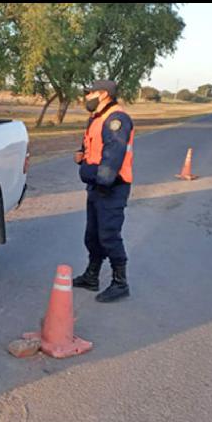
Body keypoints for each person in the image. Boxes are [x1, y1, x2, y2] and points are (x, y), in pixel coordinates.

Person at [72, 79, 134, 302]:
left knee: (109, 235)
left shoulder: (116, 119)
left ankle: (120, 283)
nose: (86, 96)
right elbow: (93, 147)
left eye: (90, 93)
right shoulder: (97, 117)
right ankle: (92, 276)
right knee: (93, 235)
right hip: (97, 186)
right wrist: (82, 156)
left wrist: (103, 183)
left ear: (104, 94)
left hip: (111, 187)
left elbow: (113, 155)